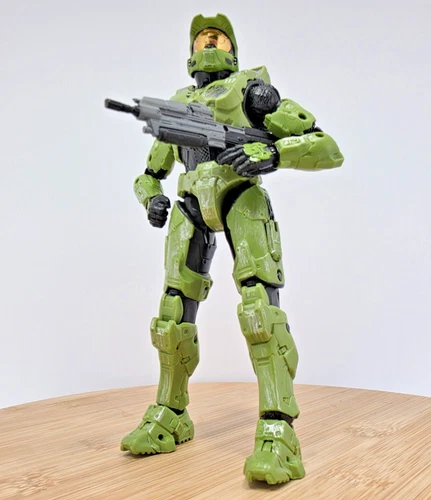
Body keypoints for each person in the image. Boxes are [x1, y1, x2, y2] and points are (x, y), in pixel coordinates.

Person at [120, 13, 344, 484]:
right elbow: (149, 174)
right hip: (189, 205)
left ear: (233, 49)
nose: (209, 43)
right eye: (202, 38)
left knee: (261, 311)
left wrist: (273, 153)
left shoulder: (253, 94)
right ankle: (170, 413)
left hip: (241, 196)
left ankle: (278, 431)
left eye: (218, 37)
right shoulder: (177, 107)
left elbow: (326, 146)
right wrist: (152, 199)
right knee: (171, 316)